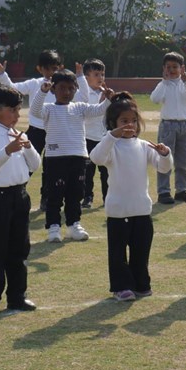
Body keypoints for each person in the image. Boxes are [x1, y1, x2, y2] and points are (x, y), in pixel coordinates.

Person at [89, 93, 172, 301]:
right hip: (118, 211)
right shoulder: (111, 146)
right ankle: (121, 287)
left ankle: (141, 284)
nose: (130, 125)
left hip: (141, 210)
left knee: (140, 252)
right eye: (124, 121)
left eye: (133, 121)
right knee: (118, 254)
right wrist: (112, 136)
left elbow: (163, 168)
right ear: (113, 123)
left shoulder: (143, 146)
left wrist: (165, 154)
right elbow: (96, 158)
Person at [0, 86, 40, 314]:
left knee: (19, 249)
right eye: (12, 110)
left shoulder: (19, 134)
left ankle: (17, 297)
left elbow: (35, 164)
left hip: (19, 196)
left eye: (18, 110)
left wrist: (28, 147)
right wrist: (8, 150)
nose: (17, 115)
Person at [31, 70, 111, 243]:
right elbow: (35, 110)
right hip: (55, 159)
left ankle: (74, 225)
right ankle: (53, 227)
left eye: (70, 88)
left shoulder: (80, 107)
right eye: (62, 88)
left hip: (78, 158)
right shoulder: (49, 109)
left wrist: (108, 99)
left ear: (76, 89)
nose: (66, 92)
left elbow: (99, 110)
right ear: (53, 89)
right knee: (55, 195)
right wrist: (42, 91)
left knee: (75, 194)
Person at [0, 49, 62, 213]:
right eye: (47, 69)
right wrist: (2, 74)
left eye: (54, 68)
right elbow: (12, 88)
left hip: (55, 132)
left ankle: (47, 199)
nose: (51, 72)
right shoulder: (34, 83)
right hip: (36, 131)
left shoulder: (63, 85)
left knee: (51, 167)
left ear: (60, 67)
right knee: (26, 163)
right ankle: (18, 193)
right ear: (40, 69)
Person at [151, 51, 186, 204]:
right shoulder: (163, 85)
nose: (172, 70)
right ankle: (164, 191)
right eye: (168, 67)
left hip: (184, 125)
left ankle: (181, 190)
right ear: (163, 68)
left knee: (182, 160)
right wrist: (164, 82)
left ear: (182, 68)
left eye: (175, 67)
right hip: (168, 125)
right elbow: (154, 99)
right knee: (165, 159)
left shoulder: (185, 84)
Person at [77, 59, 110, 209]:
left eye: (102, 74)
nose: (100, 78)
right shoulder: (82, 95)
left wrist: (109, 101)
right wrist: (101, 104)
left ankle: (108, 197)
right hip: (87, 138)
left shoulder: (106, 93)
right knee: (87, 172)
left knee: (106, 171)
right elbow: (88, 115)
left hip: (103, 138)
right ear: (86, 77)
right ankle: (87, 197)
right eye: (96, 74)